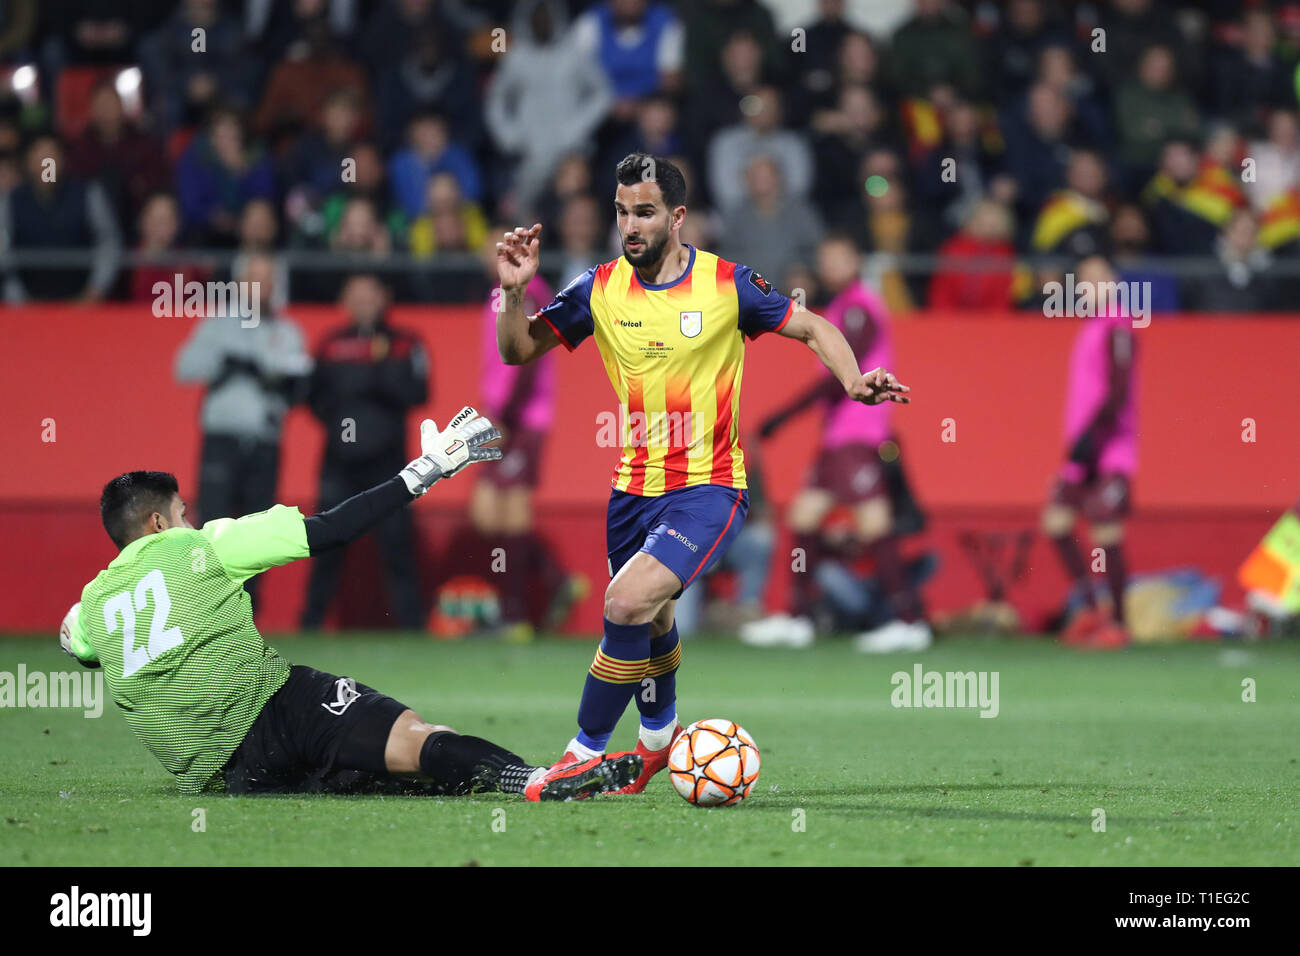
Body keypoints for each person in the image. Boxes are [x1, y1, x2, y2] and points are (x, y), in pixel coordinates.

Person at [493, 153, 911, 793]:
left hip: (708, 488)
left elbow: (812, 325)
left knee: (626, 602)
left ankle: (582, 752)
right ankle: (659, 737)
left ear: (678, 216)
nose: (629, 226)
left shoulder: (728, 285)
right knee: (653, 617)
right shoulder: (599, 287)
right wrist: (514, 292)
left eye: (644, 212)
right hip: (631, 491)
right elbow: (518, 349)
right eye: (621, 212)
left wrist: (853, 380)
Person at [57, 412, 640, 800]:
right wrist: (427, 471)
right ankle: (538, 779)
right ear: (159, 522)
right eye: (183, 511)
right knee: (415, 738)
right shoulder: (208, 545)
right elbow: (331, 530)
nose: (191, 518)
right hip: (279, 708)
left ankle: (383, 773)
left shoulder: (91, 608)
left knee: (382, 779)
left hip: (227, 776)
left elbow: (79, 647)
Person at [754, 234, 929, 653]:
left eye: (838, 257)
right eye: (825, 258)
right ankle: (798, 617)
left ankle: (908, 621)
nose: (830, 265)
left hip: (859, 435)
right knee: (803, 517)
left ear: (856, 260)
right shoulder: (840, 308)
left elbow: (841, 380)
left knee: (873, 525)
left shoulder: (858, 307)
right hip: (838, 439)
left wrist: (784, 415)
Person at [174, 252, 309, 610]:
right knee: (212, 527)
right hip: (222, 440)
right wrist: (229, 360)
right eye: (254, 280)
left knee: (257, 533)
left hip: (265, 441)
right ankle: (207, 611)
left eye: (267, 280)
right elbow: (184, 367)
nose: (261, 288)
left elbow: (299, 381)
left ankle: (249, 613)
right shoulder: (218, 325)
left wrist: (270, 373)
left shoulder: (287, 331)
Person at [300, 274, 430, 629]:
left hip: (389, 464)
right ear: (344, 301)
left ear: (383, 298)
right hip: (338, 463)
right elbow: (313, 396)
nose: (364, 303)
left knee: (397, 546)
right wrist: (342, 416)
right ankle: (309, 625)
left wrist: (378, 376)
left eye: (370, 295)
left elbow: (418, 392)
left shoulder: (405, 343)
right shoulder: (330, 345)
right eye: (355, 296)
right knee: (324, 543)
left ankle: (412, 628)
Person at [1041, 256, 1139, 650]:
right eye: (1083, 281)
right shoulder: (1093, 326)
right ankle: (1090, 610)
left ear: (1114, 282)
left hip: (1110, 448)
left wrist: (1095, 438)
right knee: (1056, 523)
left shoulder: (1119, 326)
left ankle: (1117, 622)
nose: (1088, 287)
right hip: (1082, 451)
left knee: (1106, 533)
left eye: (1097, 279)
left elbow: (1118, 391)